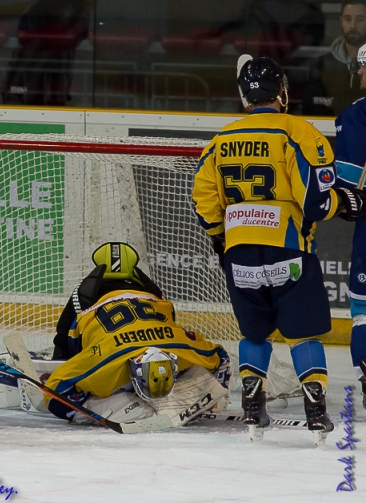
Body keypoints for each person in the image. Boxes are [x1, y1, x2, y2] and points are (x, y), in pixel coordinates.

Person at [192, 55, 366, 441]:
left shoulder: (221, 140)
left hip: (239, 254)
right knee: (304, 335)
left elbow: (204, 204)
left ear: (244, 97)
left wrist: (225, 236)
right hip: (289, 253)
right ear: (282, 93)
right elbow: (318, 201)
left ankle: (253, 407)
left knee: (255, 334)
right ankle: (316, 412)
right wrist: (348, 203)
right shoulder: (298, 132)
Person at [43, 242, 231, 426]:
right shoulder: (180, 346)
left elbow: (54, 392)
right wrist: (213, 397)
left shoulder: (104, 352)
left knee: (78, 384)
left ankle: (122, 400)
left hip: (111, 348)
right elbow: (221, 357)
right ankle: (133, 397)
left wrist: (65, 364)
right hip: (116, 348)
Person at [332, 42, 366, 407]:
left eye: (361, 66)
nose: (358, 73)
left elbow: (347, 187)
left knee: (364, 313)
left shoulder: (357, 115)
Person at [302, 0, 366, 116]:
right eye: (348, 19)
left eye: (360, 19)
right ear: (341, 21)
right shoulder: (322, 64)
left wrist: (335, 102)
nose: (353, 26)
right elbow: (311, 107)